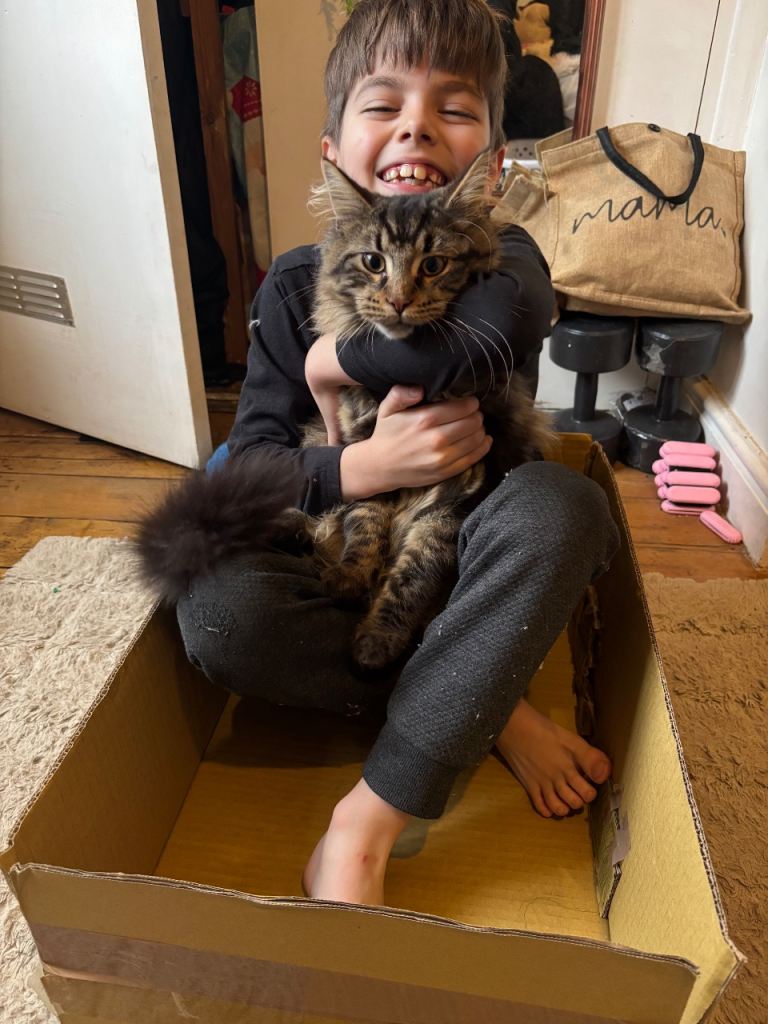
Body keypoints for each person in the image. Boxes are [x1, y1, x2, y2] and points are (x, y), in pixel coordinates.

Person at [177, 0, 620, 906]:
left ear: (492, 164)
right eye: (383, 105)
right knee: (219, 606)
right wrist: (360, 469)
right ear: (334, 151)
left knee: (566, 509)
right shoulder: (296, 279)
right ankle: (484, 702)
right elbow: (244, 469)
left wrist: (330, 354)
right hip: (348, 555)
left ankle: (367, 821)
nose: (416, 123)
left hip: (467, 550)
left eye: (453, 109)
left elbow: (472, 338)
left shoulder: (511, 260)